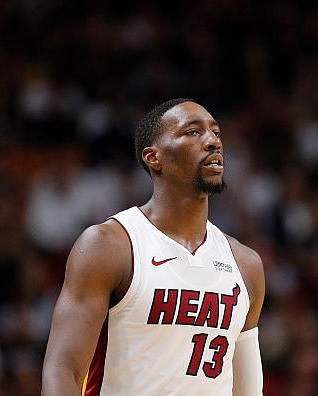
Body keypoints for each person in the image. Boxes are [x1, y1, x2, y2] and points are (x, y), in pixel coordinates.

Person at [41, 98, 265, 395]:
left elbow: (249, 390)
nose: (213, 141)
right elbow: (63, 370)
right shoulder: (109, 246)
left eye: (216, 132)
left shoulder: (245, 264)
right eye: (193, 132)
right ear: (153, 157)